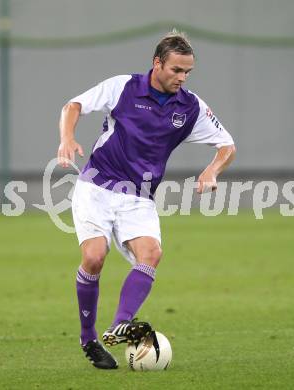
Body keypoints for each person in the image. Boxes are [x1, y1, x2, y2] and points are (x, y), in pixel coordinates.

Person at [57, 31, 236, 369]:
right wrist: (67, 137)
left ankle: (118, 326)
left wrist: (213, 170)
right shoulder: (124, 87)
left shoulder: (191, 106)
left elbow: (227, 145)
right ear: (157, 64)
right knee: (94, 257)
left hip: (139, 197)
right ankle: (89, 339)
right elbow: (73, 106)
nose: (182, 79)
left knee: (151, 254)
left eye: (187, 72)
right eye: (176, 70)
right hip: (96, 187)